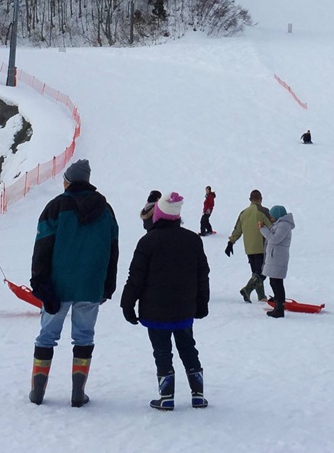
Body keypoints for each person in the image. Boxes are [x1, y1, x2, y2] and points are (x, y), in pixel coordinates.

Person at [28, 159, 120, 408]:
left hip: (56, 287)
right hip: (91, 284)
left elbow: (42, 246)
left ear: (68, 180)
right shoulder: (106, 210)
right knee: (83, 337)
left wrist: (39, 282)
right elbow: (113, 250)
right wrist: (107, 286)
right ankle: (78, 394)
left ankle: (37, 392)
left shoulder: (55, 207)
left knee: (46, 337)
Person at [120, 192, 210, 411]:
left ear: (157, 215)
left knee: (162, 351)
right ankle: (198, 395)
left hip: (155, 310)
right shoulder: (192, 240)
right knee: (188, 347)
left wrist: (127, 304)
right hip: (184, 309)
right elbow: (202, 274)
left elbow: (136, 277)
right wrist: (202, 304)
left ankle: (167, 396)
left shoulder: (148, 241)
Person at [224, 189, 275, 303]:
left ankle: (261, 296)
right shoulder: (264, 211)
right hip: (262, 247)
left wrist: (230, 243)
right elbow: (272, 227)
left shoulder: (243, 213)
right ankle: (247, 290)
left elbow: (237, 230)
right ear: (261, 199)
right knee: (262, 273)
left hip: (249, 248)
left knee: (255, 273)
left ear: (250, 200)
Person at [260, 205, 294, 318]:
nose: (270, 218)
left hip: (278, 259)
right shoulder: (280, 224)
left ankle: (280, 309)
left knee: (277, 283)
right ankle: (278, 306)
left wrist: (263, 229)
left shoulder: (284, 225)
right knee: (274, 282)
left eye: (272, 216)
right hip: (275, 258)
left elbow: (275, 239)